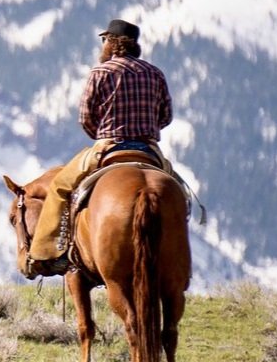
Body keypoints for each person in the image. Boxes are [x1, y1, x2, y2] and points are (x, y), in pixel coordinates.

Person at [24, 17, 173, 278]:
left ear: (113, 44)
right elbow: (166, 115)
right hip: (149, 150)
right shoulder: (155, 73)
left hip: (109, 146)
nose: (103, 45)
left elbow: (86, 116)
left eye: (105, 40)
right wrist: (148, 131)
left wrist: (100, 135)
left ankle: (48, 254)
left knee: (60, 187)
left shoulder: (100, 72)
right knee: (177, 192)